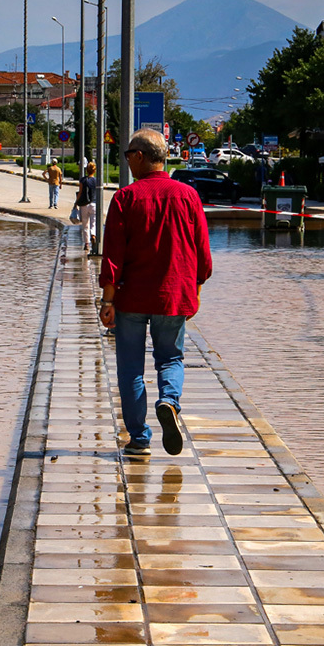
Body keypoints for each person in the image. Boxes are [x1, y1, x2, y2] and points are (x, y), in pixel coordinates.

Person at [98, 129, 212, 457]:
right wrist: (197, 289)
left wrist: (107, 301)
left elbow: (113, 255)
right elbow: (202, 253)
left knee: (131, 368)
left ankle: (139, 439)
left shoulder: (125, 198)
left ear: (140, 156)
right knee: (171, 358)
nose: (127, 161)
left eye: (128, 155)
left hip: (131, 299)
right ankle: (168, 402)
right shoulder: (188, 196)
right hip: (172, 297)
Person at [78, 161, 99, 252]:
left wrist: (76, 203)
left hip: (84, 204)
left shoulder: (83, 180)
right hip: (94, 204)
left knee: (85, 225)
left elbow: (80, 192)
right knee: (93, 223)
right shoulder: (97, 181)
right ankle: (93, 235)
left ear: (87, 170)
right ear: (94, 171)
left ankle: (86, 244)